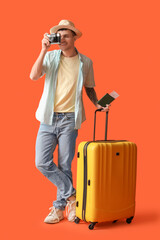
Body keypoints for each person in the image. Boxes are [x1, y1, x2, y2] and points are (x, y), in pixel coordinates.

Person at [30, 20, 110, 224]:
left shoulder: (86, 62)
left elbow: (89, 87)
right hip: (48, 117)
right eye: (59, 35)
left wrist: (99, 104)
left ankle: (59, 210)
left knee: (65, 165)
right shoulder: (50, 56)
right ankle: (73, 198)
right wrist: (43, 49)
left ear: (75, 38)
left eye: (66, 35)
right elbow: (33, 75)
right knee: (42, 162)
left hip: (69, 119)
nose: (62, 39)